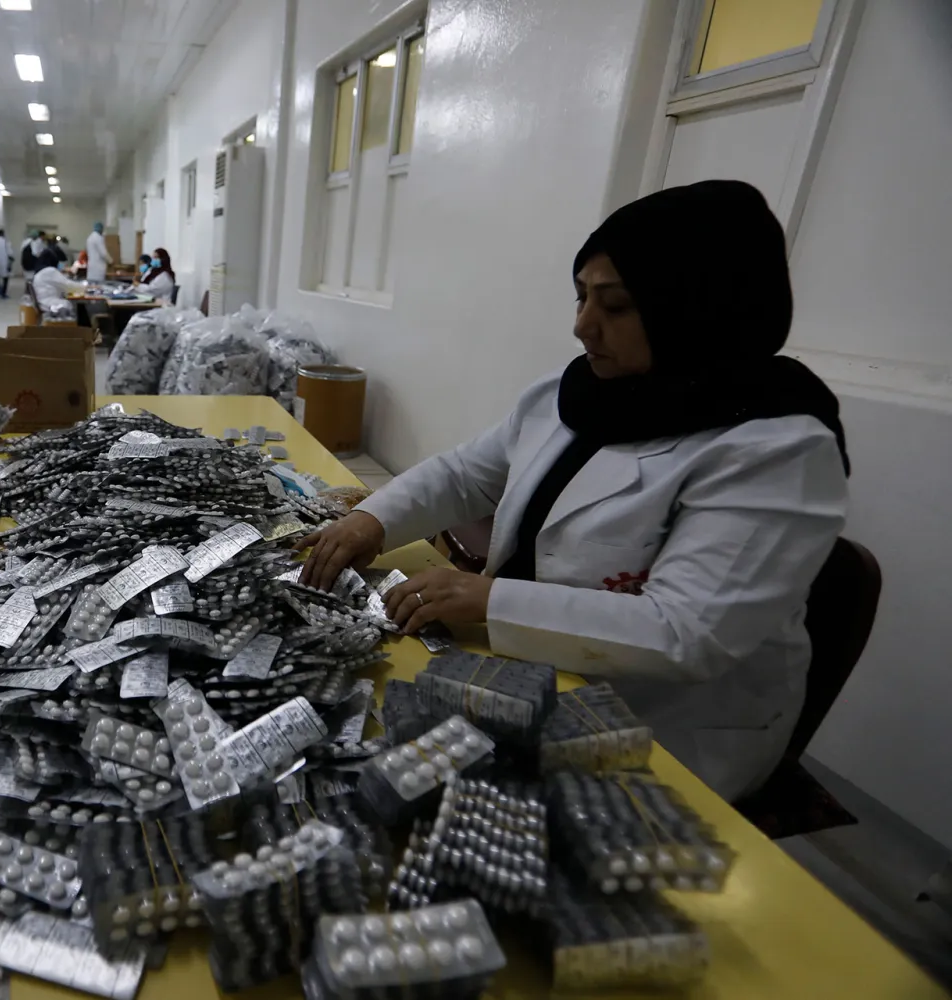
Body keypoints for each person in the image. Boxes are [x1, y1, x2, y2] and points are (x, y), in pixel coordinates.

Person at [298, 181, 850, 802]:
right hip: (526, 668)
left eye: (615, 307)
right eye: (582, 296)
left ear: (697, 306)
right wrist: (370, 522)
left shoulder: (776, 449)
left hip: (662, 723)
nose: (583, 325)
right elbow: (465, 474)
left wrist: (491, 600)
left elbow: (686, 633)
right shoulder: (580, 392)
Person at [30, 249, 87, 320]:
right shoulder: (49, 271)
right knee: (73, 305)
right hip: (50, 303)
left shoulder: (40, 272)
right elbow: (68, 285)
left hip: (42, 302)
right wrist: (85, 287)